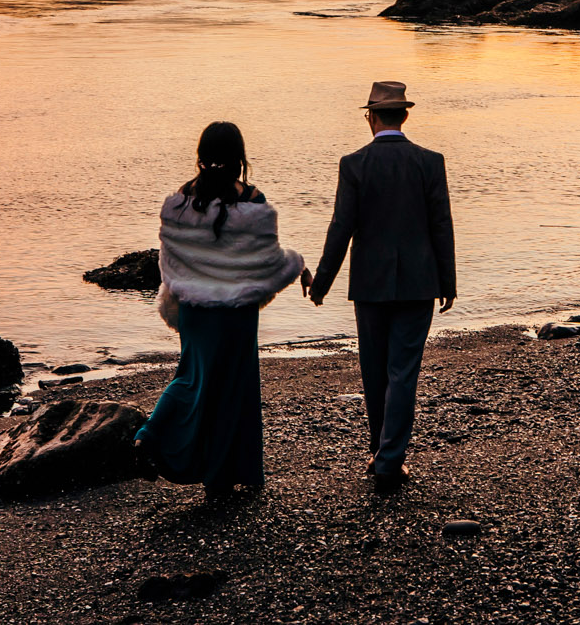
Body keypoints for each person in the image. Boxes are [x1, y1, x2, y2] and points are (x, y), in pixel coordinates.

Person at [136, 121, 307, 501]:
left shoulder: (181, 200)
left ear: (201, 155)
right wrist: (299, 266)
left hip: (195, 310)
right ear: (238, 157)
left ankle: (153, 437)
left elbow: (170, 260)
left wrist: (182, 290)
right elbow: (266, 257)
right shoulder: (251, 200)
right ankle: (219, 476)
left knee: (192, 377)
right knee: (232, 391)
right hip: (236, 314)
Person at [308, 80, 456, 494]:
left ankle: (382, 453)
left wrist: (321, 283)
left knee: (374, 373)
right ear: (404, 116)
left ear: (371, 117)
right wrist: (448, 281)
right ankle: (388, 457)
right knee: (403, 372)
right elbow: (441, 224)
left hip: (370, 285)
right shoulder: (430, 161)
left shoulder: (354, 164)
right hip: (419, 282)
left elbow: (341, 227)